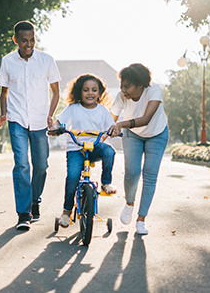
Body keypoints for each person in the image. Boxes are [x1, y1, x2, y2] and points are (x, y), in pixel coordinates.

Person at [0, 20, 61, 230]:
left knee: (41, 166)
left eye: (32, 39)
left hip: (40, 121)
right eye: (24, 41)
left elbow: (56, 92)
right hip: (16, 120)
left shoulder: (46, 60)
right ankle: (23, 214)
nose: (29, 44)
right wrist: (4, 113)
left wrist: (50, 115)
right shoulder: (7, 61)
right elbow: (4, 91)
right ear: (16, 40)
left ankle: (35, 201)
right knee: (22, 165)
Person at [50, 74, 117, 228]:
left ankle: (106, 183)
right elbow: (58, 123)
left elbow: (111, 127)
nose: (90, 93)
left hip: (94, 147)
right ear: (79, 92)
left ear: (100, 93)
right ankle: (66, 212)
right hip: (76, 149)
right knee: (73, 177)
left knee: (109, 152)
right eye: (86, 90)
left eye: (94, 90)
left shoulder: (103, 111)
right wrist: (54, 128)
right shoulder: (73, 108)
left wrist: (115, 130)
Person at [109, 63, 169, 235]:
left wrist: (121, 124)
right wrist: (102, 134)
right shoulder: (122, 96)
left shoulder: (154, 91)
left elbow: (146, 119)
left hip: (157, 133)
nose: (123, 89)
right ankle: (129, 203)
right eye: (122, 85)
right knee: (132, 172)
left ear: (141, 84)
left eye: (127, 86)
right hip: (133, 135)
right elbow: (109, 119)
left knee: (149, 174)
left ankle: (141, 220)